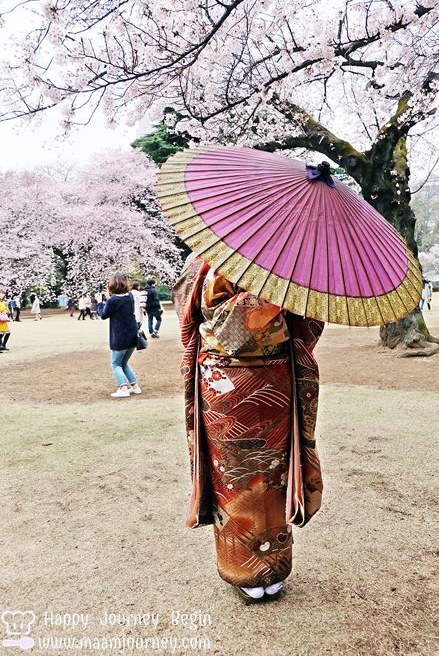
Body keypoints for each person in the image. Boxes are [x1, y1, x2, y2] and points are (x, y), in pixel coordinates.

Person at [172, 256, 324, 602]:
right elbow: (308, 322)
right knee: (266, 475)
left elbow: (186, 318)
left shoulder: (202, 261)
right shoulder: (287, 263)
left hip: (220, 380)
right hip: (274, 378)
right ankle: (267, 567)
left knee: (240, 478)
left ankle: (245, 569)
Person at [98, 272, 142, 398]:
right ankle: (135, 387)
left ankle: (123, 388)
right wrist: (108, 299)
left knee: (115, 364)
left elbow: (103, 315)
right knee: (124, 363)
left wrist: (101, 303)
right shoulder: (129, 297)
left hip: (120, 337)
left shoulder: (113, 300)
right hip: (132, 336)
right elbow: (117, 305)